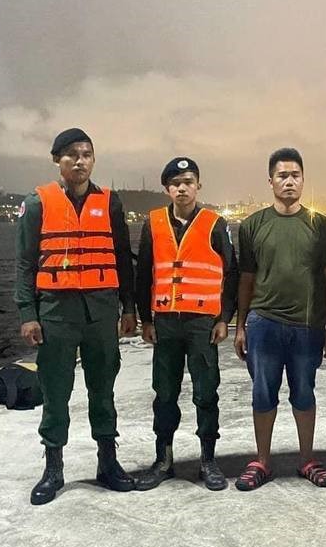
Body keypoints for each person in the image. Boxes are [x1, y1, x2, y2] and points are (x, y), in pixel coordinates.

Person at [14, 128, 137, 505]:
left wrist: (129, 308)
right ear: (58, 160)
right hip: (56, 313)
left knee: (103, 390)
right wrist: (28, 313)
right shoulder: (37, 203)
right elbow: (24, 263)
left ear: (93, 160)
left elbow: (122, 257)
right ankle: (53, 469)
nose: (80, 161)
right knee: (55, 391)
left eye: (86, 154)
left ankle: (108, 463)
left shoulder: (110, 202)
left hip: (101, 312)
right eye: (71, 155)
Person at [233, 148, 326, 491]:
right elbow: (246, 278)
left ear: (303, 180)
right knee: (262, 393)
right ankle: (262, 461)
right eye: (282, 176)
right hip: (263, 323)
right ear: (270, 181)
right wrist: (240, 326)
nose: (289, 181)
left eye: (295, 175)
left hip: (307, 327)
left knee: (304, 392)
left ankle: (307, 459)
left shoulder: (320, 226)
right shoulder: (252, 225)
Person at [134, 157, 238, 492]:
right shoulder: (153, 224)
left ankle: (208, 460)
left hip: (201, 324)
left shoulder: (215, 224)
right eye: (176, 183)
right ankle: (163, 460)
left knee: (206, 393)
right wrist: (145, 319)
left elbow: (231, 274)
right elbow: (143, 274)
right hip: (165, 322)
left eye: (188, 182)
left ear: (198, 186)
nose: (182, 188)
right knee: (165, 393)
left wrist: (224, 319)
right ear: (167, 188)